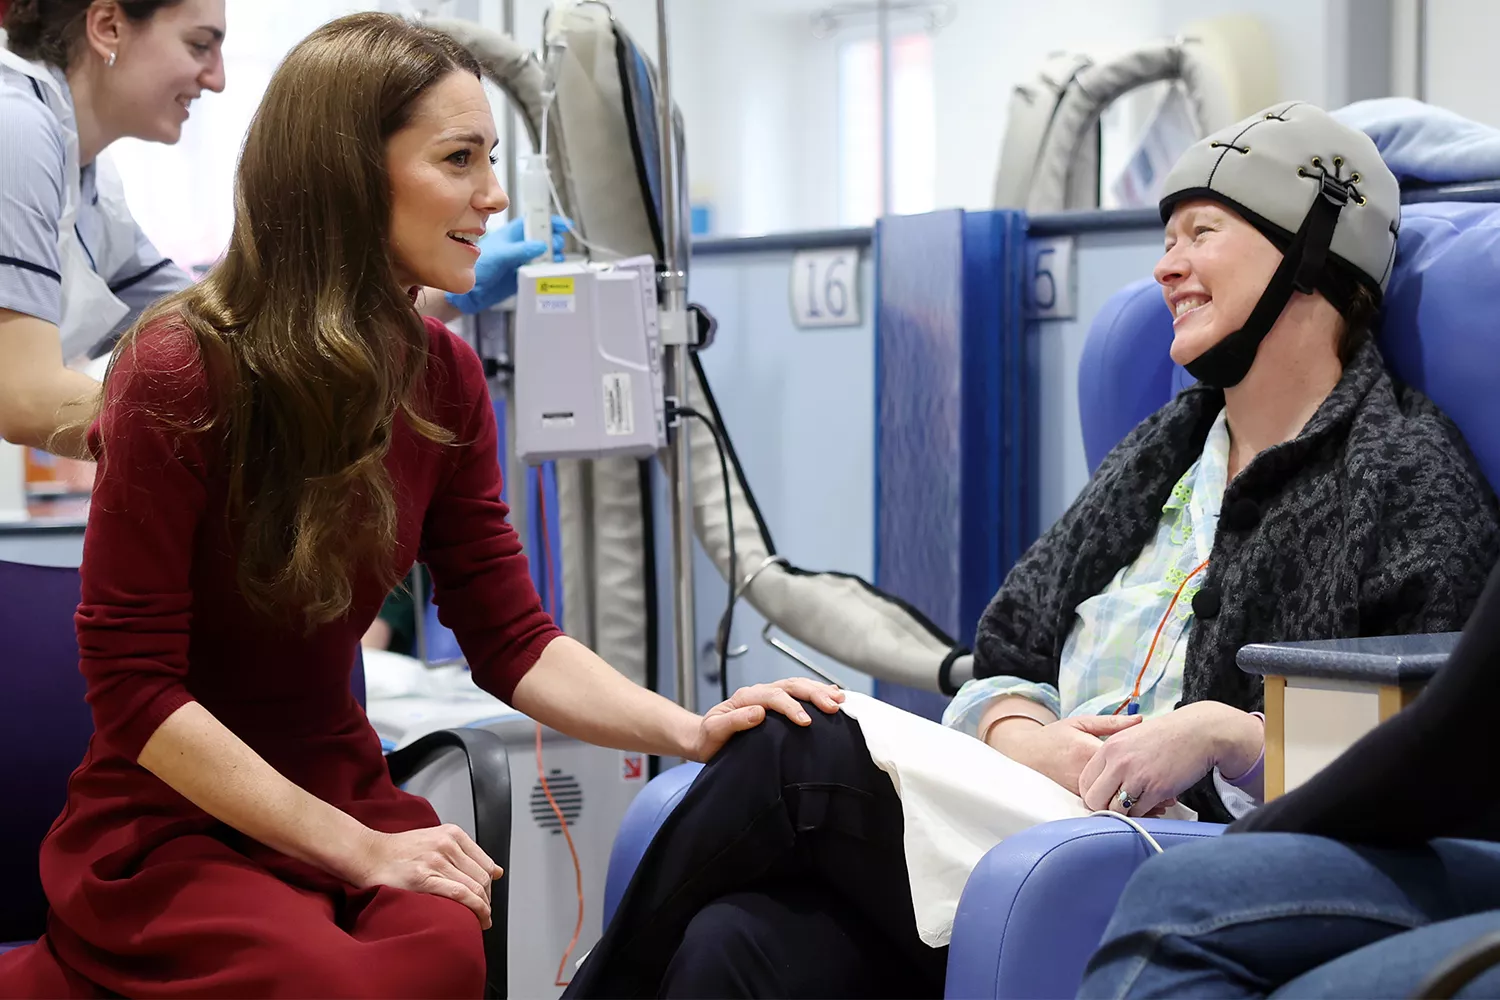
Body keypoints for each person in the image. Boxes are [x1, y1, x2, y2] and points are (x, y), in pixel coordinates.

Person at [562, 103, 1500, 999]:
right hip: (1019, 814)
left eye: (1201, 233)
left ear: (1311, 254)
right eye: (1165, 239)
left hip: (1182, 853)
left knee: (790, 748)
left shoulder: (1406, 477)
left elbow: (1428, 750)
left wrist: (1224, 737)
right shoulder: (1162, 453)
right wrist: (1027, 736)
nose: (1168, 267)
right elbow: (1008, 650)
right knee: (734, 947)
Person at [0, 13, 843, 998]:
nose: (492, 196)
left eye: (493, 159)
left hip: (346, 796)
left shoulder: (441, 379)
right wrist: (357, 849)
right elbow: (136, 694)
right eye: (460, 160)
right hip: (174, 825)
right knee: (337, 981)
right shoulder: (177, 371)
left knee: (440, 950)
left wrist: (690, 730)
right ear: (352, 174)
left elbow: (512, 636)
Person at [0, 0, 556, 459]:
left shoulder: (90, 178)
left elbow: (231, 336)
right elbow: (24, 399)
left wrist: (426, 295)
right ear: (108, 26)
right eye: (199, 44)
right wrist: (249, 436)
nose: (216, 79)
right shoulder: (17, 128)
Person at [1077, 570, 1500, 1000]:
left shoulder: (1425, 527)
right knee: (1175, 888)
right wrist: (1018, 729)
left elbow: (1453, 740)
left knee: (1183, 903)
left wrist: (1251, 824)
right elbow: (1012, 645)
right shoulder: (1126, 507)